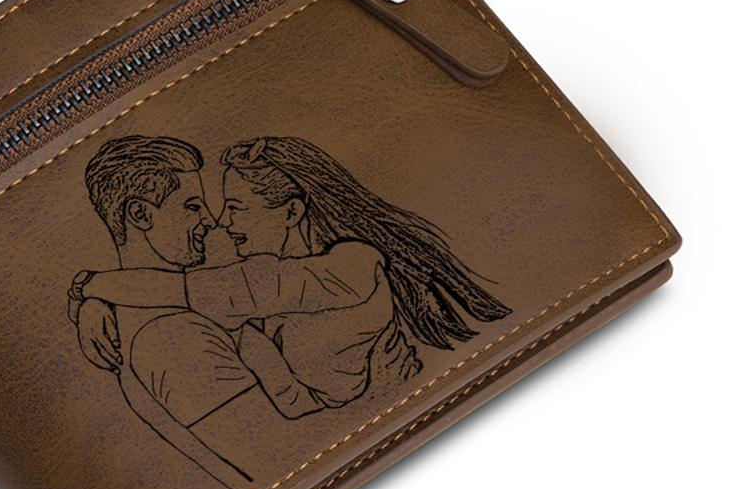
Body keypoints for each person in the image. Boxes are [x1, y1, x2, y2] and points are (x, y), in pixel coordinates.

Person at [76, 136, 512, 418]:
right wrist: (97, 302)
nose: (220, 223)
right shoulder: (263, 281)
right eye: (203, 207)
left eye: (236, 208)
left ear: (291, 211)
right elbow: (292, 400)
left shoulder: (352, 266)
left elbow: (194, 291)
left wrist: (88, 288)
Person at [69, 135, 257, 489]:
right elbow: (283, 459)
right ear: (141, 214)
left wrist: (88, 294)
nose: (211, 219)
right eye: (192, 206)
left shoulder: (140, 316)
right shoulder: (173, 339)